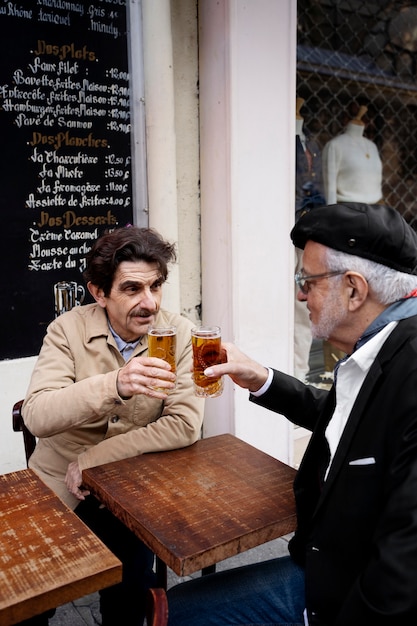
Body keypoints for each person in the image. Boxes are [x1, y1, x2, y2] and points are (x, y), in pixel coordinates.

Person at [167, 202, 417, 625]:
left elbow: (404, 570)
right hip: (326, 565)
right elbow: (349, 422)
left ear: (354, 290)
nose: (301, 294)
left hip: (345, 594)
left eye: (308, 280)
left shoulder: (409, 368)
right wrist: (261, 378)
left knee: (174, 613)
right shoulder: (378, 346)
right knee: (174, 606)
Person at [22, 226, 205, 626]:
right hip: (56, 482)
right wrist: (115, 384)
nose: (150, 302)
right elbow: (37, 414)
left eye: (156, 286)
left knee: (130, 591)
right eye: (132, 289)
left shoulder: (179, 333)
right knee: (30, 596)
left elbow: (184, 425)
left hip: (130, 484)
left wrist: (95, 459)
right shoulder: (67, 330)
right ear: (99, 293)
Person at [294, 96, 325, 380]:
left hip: (309, 236)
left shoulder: (312, 145)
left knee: (304, 308)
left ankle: (300, 373)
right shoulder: (281, 142)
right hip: (283, 232)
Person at [322, 105, 383, 205]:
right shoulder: (335, 145)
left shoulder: (372, 146)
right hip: (349, 209)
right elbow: (330, 185)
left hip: (376, 208)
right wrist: (331, 212)